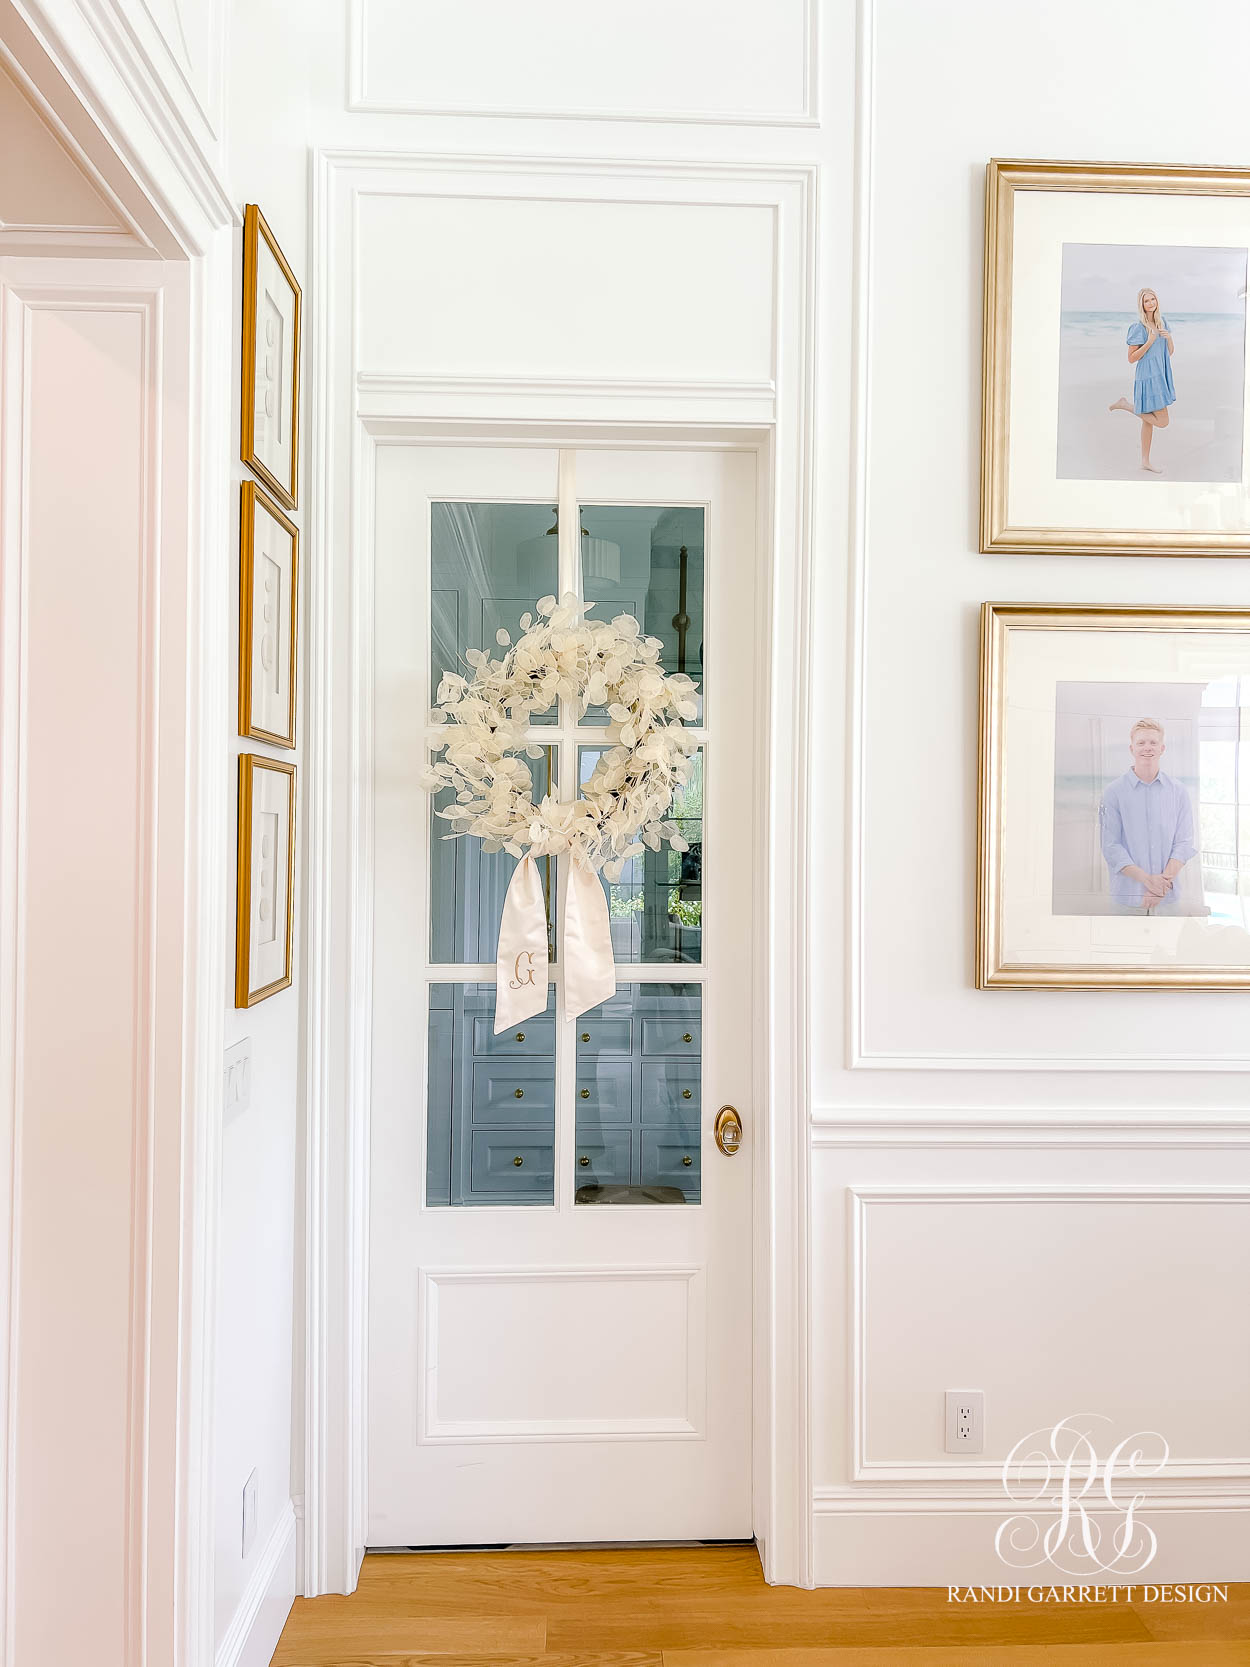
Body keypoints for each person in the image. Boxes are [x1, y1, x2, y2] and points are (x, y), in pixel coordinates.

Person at [1098, 718, 1196, 913]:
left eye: (1153, 742)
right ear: (1131, 748)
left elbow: (1184, 842)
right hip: (1127, 899)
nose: (1147, 748)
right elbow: (1111, 846)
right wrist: (1148, 881)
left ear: (1162, 748)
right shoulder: (1113, 792)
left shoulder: (1179, 791)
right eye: (1141, 743)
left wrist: (1159, 888)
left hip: (1168, 898)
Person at [1108, 287, 1175, 474]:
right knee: (1162, 421)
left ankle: (1145, 460)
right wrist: (1149, 341)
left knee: (1149, 421)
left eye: (1153, 299)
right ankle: (1126, 405)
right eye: (1147, 300)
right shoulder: (1138, 327)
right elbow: (1131, 358)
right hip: (1148, 377)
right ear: (1142, 305)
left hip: (1161, 376)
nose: (1151, 303)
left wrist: (1168, 338)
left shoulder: (1163, 323)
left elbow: (1169, 352)